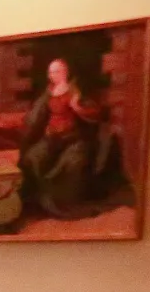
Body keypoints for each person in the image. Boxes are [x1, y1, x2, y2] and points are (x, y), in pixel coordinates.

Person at [21, 55, 132, 219]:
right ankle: (40, 200)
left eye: (57, 71)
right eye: (50, 72)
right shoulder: (48, 94)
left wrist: (77, 108)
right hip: (51, 139)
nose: (53, 75)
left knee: (72, 163)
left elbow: (95, 114)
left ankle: (63, 203)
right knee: (33, 157)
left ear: (65, 72)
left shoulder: (76, 91)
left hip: (73, 140)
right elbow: (36, 116)